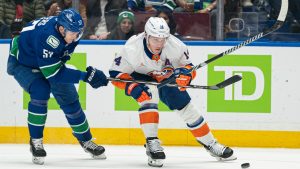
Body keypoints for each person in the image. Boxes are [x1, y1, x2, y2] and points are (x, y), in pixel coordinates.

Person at [109, 17, 236, 167]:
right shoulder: (132, 48)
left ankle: (211, 144)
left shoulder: (176, 46)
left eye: (163, 39)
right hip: (141, 76)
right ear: (146, 35)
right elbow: (115, 74)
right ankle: (152, 143)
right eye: (155, 39)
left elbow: (189, 68)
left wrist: (186, 76)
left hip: (166, 78)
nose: (160, 43)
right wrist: (131, 87)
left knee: (187, 108)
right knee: (149, 96)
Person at [6, 9, 108, 165]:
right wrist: (85, 76)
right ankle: (36, 141)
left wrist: (87, 76)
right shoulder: (48, 38)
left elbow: (59, 60)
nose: (76, 36)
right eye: (73, 32)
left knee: (71, 100)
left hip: (42, 58)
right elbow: (54, 74)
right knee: (41, 91)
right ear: (61, 29)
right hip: (23, 63)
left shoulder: (71, 34)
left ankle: (86, 141)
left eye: (78, 32)